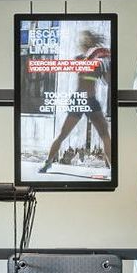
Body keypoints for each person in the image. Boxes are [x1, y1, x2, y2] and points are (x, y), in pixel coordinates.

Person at [38, 29, 112, 174]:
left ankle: (112, 168)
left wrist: (107, 65)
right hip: (79, 100)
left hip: (91, 101)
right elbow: (82, 69)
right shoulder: (80, 59)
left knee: (105, 135)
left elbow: (107, 80)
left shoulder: (98, 60)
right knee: (62, 135)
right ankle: (47, 162)